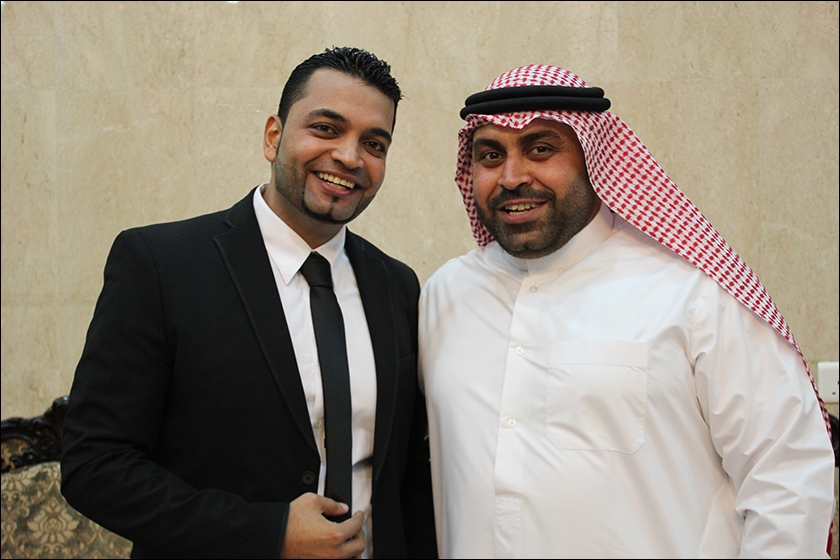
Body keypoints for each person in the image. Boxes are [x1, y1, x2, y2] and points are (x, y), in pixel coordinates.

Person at [418, 64, 836, 558]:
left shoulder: (692, 293)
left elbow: (787, 478)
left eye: (541, 149)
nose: (512, 177)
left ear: (594, 156)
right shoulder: (446, 294)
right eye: (491, 155)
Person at [60, 46, 437, 559]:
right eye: (326, 128)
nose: (350, 157)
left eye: (374, 143)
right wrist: (267, 533)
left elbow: (406, 471)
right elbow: (94, 465)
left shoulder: (397, 285)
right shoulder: (160, 264)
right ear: (273, 137)